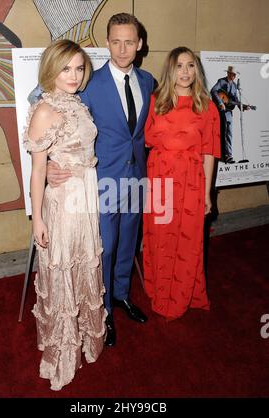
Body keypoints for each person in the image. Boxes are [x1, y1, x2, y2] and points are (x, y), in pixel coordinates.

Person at [43, 13, 155, 346]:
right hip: (102, 180)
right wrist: (49, 161)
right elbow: (46, 106)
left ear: (140, 45)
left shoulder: (148, 81)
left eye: (129, 42)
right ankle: (103, 310)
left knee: (128, 241)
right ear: (107, 43)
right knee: (104, 248)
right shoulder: (89, 81)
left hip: (136, 178)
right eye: (116, 41)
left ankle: (121, 294)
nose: (122, 49)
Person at [23, 39, 106, 391]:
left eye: (79, 68)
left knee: (84, 265)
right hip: (62, 202)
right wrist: (38, 220)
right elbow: (38, 169)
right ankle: (63, 350)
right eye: (66, 68)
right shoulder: (44, 110)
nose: (74, 75)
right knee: (62, 269)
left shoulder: (77, 104)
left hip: (86, 197)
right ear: (51, 70)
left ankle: (87, 336)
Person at [143, 46, 221, 321]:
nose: (185, 72)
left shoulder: (207, 106)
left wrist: (208, 193)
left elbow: (209, 152)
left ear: (196, 70)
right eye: (179, 66)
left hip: (191, 180)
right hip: (160, 177)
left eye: (190, 66)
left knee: (187, 240)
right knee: (161, 236)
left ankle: (182, 294)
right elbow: (145, 140)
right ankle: (160, 289)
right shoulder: (156, 101)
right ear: (170, 70)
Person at [211, 66, 239, 164]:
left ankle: (229, 155)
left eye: (235, 75)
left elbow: (236, 100)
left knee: (229, 133)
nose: (234, 76)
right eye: (233, 74)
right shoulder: (221, 81)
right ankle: (225, 155)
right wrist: (220, 103)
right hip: (220, 111)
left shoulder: (235, 86)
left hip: (229, 112)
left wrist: (242, 107)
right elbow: (213, 90)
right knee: (223, 132)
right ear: (228, 73)